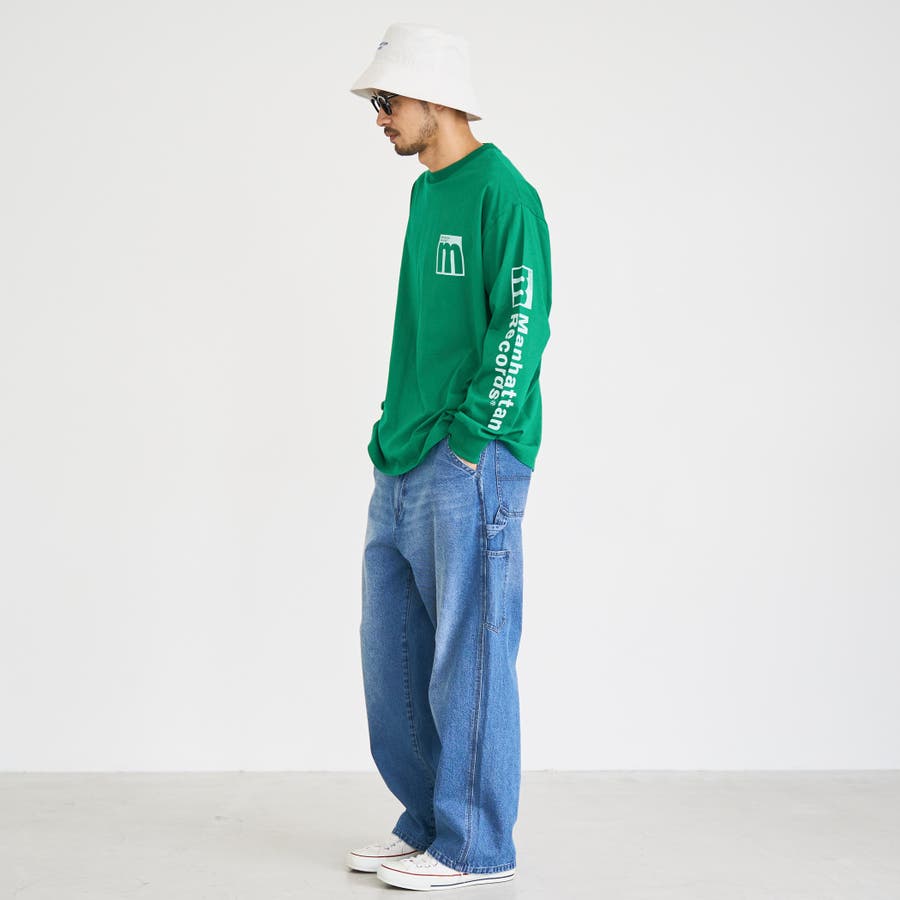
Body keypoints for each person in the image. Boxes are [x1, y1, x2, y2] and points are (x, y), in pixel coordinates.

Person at [345, 22, 552, 892]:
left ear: (435, 97)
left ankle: (475, 845)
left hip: (472, 460)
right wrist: (391, 428)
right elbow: (415, 328)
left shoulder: (505, 195)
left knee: (470, 654)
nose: (379, 117)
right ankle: (431, 821)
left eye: (387, 101)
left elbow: (522, 325)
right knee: (391, 652)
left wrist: (471, 441)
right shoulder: (426, 194)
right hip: (403, 455)